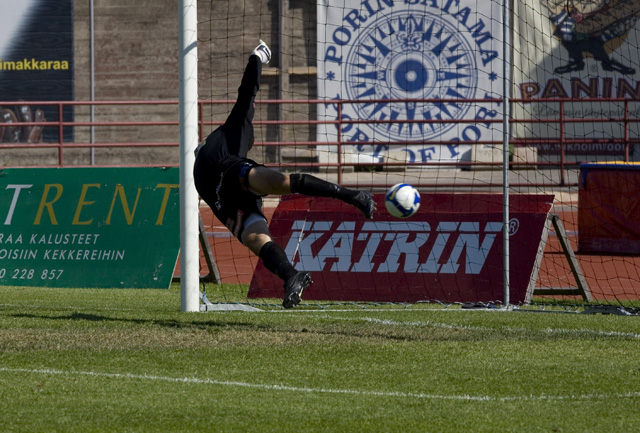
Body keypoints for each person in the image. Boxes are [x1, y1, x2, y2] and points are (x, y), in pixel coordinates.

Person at [193, 40, 376, 309]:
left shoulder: (230, 140)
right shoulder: (235, 130)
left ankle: (354, 196)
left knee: (283, 183)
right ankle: (292, 276)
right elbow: (248, 91)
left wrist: (258, 57)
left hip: (231, 180)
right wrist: (257, 57)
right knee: (257, 239)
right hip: (226, 198)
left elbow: (248, 91)